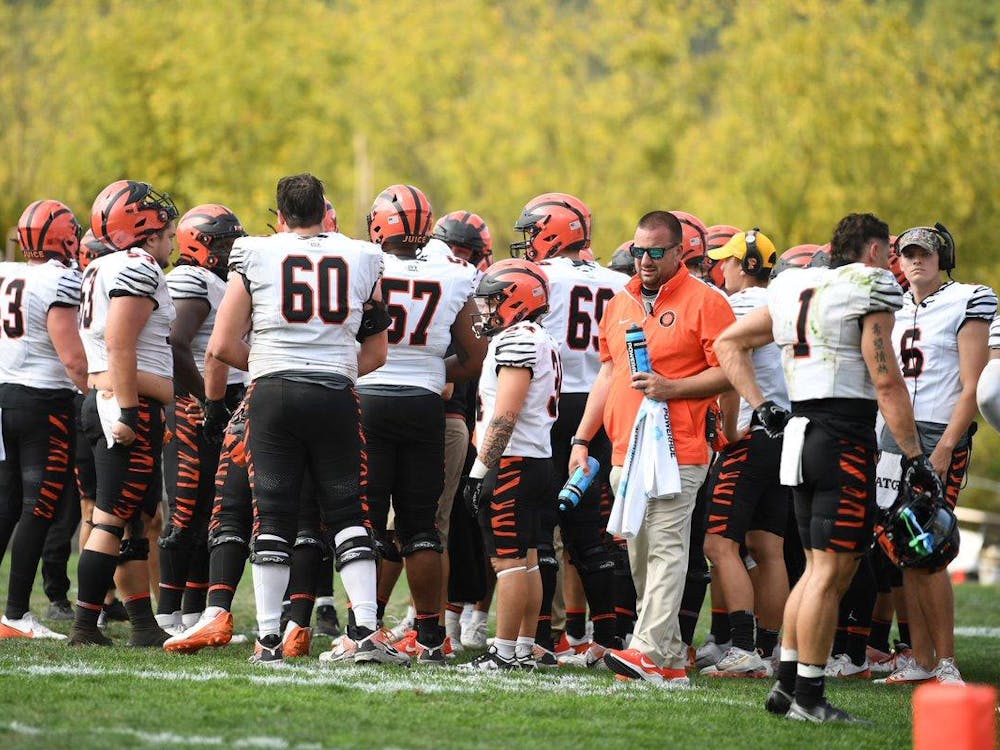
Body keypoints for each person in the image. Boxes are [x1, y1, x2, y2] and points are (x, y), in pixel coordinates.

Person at [714, 212, 944, 723]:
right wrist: (914, 456)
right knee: (831, 570)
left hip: (800, 432)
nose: (892, 265)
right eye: (887, 253)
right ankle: (810, 698)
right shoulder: (869, 285)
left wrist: (763, 405)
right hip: (842, 438)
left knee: (818, 569)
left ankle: (788, 683)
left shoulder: (797, 285)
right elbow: (886, 381)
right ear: (871, 253)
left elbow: (728, 343)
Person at [206, 173, 402, 666]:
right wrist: (326, 366)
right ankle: (364, 630)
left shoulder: (254, 253)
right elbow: (376, 350)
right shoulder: (363, 255)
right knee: (347, 513)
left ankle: (268, 639)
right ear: (324, 209)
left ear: (282, 214)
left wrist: (277, 366)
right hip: (335, 392)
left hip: (272, 393)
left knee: (270, 517)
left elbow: (223, 345)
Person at [570, 210, 735, 685]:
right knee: (639, 553)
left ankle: (643, 648)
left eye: (655, 252)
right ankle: (665, 660)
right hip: (626, 449)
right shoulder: (619, 301)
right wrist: (583, 437)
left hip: (679, 448)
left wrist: (673, 388)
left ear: (680, 252)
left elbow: (729, 370)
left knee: (665, 546)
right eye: (639, 250)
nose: (644, 260)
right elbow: (608, 373)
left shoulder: (707, 301)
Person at [358, 184, 485, 663]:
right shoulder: (457, 273)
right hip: (424, 406)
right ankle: (431, 636)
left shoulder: (363, 264)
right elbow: (474, 355)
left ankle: (363, 630)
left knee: (364, 525)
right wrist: (432, 372)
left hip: (369, 398)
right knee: (423, 527)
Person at [873, 225, 994, 686]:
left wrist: (945, 446)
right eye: (908, 253)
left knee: (932, 545)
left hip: (939, 431)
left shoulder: (968, 299)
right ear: (898, 260)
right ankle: (919, 658)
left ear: (943, 257)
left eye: (925, 252)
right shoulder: (892, 305)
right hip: (893, 434)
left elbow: (974, 386)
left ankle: (946, 661)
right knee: (904, 546)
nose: (916, 259)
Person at [511, 192, 627, 667]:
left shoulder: (539, 276)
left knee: (537, 525)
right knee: (590, 532)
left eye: (531, 232)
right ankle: (608, 636)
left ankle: (539, 637)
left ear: (550, 231)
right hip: (601, 407)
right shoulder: (621, 281)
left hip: (551, 407)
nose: (526, 243)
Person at [69, 180, 179, 647]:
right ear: (147, 233)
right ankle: (84, 626)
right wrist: (131, 412)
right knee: (111, 520)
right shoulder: (140, 266)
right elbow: (119, 340)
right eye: (167, 232)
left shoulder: (100, 266)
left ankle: (142, 623)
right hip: (123, 406)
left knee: (137, 519)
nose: (172, 241)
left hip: (105, 398)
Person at [460, 258, 561, 670]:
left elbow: (505, 415)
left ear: (516, 301)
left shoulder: (515, 341)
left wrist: (482, 468)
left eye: (492, 302)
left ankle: (503, 652)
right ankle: (521, 647)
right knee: (529, 557)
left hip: (513, 461)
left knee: (508, 561)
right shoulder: (541, 338)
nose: (484, 311)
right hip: (536, 459)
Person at [698, 230, 789, 677]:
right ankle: (770, 650)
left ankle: (743, 648)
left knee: (719, 542)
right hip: (786, 431)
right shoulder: (782, 305)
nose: (721, 268)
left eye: (727, 261)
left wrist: (730, 430)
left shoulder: (735, 306)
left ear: (744, 265)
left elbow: (729, 370)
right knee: (768, 546)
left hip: (752, 431)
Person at [155, 204, 248, 635]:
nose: (229, 249)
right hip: (198, 401)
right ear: (198, 242)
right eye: (221, 241)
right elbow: (176, 344)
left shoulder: (220, 280)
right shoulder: (191, 278)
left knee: (212, 510)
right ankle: (167, 610)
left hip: (220, 397)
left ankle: (192, 612)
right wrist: (206, 400)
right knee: (187, 509)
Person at [0, 200, 88, 640]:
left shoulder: (6, 273)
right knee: (39, 507)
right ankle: (16, 613)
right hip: (42, 402)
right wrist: (101, 395)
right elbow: (72, 357)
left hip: (2, 398)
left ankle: (13, 612)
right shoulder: (60, 279)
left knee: (4, 503)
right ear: (64, 238)